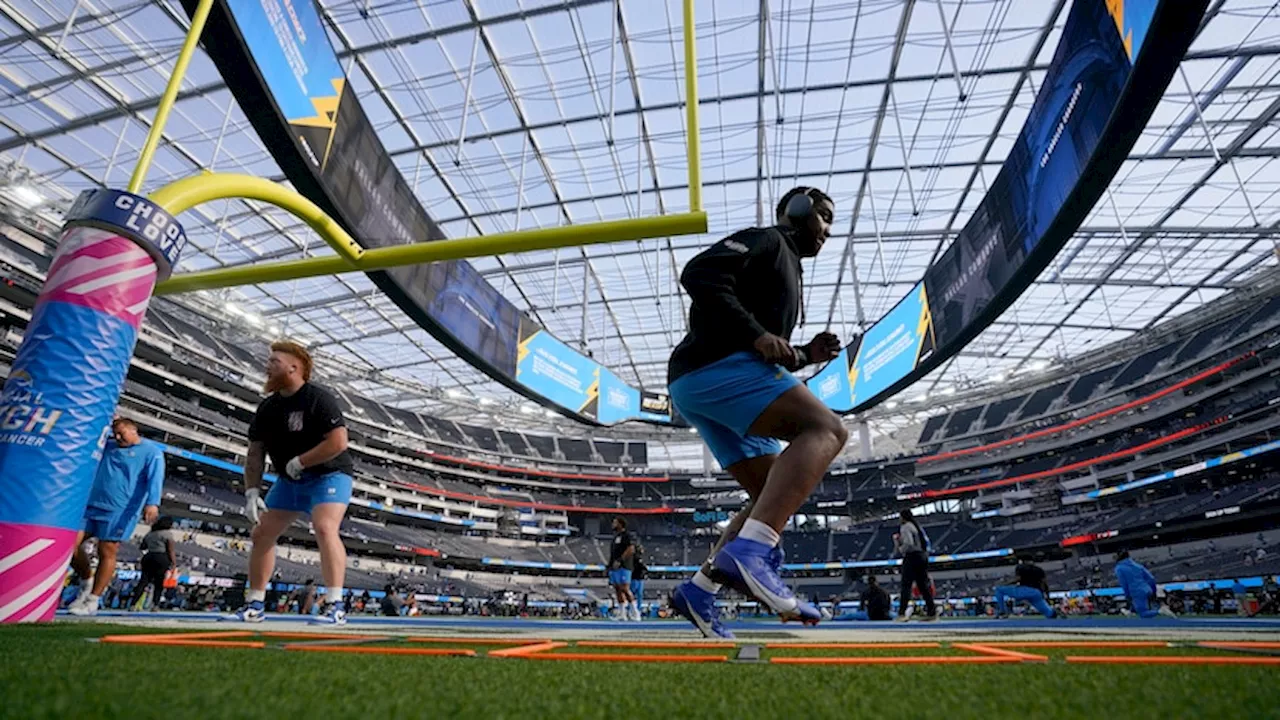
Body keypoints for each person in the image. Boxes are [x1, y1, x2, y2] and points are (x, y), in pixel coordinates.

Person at [667, 187, 847, 638]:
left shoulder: (786, 268)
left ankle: (699, 590)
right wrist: (755, 334)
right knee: (826, 429)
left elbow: (770, 348)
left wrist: (805, 354)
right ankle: (752, 552)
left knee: (771, 493)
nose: (828, 230)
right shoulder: (768, 240)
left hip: (702, 380)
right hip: (718, 368)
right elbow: (699, 273)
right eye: (822, 217)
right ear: (798, 211)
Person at [223, 341, 354, 625]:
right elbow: (255, 453)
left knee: (324, 526)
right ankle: (255, 604)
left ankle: (335, 604)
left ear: (295, 367)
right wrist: (252, 491)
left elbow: (338, 442)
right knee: (261, 534)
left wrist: (302, 461)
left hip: (328, 475)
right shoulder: (268, 408)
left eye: (274, 361)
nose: (267, 365)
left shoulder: (318, 398)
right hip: (289, 480)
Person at [68, 417, 166, 616]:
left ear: (134, 430)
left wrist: (152, 503)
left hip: (119, 509)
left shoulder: (151, 452)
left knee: (107, 549)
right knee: (69, 543)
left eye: (122, 432)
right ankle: (86, 581)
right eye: (115, 433)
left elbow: (155, 479)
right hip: (90, 505)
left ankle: (94, 599)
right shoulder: (108, 446)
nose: (118, 436)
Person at [893, 509, 937, 622]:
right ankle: (932, 613)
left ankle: (902, 613)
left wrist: (899, 547)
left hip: (912, 556)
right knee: (923, 586)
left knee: (906, 585)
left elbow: (908, 543)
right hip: (922, 556)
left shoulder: (906, 527)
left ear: (903, 517)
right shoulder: (916, 526)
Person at [127, 516, 177, 611]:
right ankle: (155, 605)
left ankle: (133, 604)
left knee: (143, 581)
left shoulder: (150, 534)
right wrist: (173, 562)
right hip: (161, 557)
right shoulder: (167, 534)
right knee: (158, 583)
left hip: (149, 556)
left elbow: (142, 547)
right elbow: (170, 550)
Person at [1114, 550, 1176, 619]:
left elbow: (1124, 584)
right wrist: (1153, 591)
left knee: (1143, 613)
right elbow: (1151, 578)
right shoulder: (1138, 566)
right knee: (1140, 606)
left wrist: (1127, 595)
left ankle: (1161, 611)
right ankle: (1130, 610)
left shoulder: (1119, 568)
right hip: (1147, 589)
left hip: (1136, 591)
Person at [607, 517, 639, 621]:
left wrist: (620, 560)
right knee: (617, 589)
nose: (613, 524)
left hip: (624, 566)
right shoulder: (615, 537)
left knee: (625, 588)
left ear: (621, 524)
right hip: (614, 567)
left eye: (615, 522)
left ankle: (635, 612)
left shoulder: (627, 535)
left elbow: (631, 549)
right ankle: (622, 614)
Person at [629, 544, 647, 620]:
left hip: (639, 578)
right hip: (635, 578)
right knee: (633, 594)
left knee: (639, 595)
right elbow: (641, 566)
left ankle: (636, 611)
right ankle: (632, 610)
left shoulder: (639, 558)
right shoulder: (635, 558)